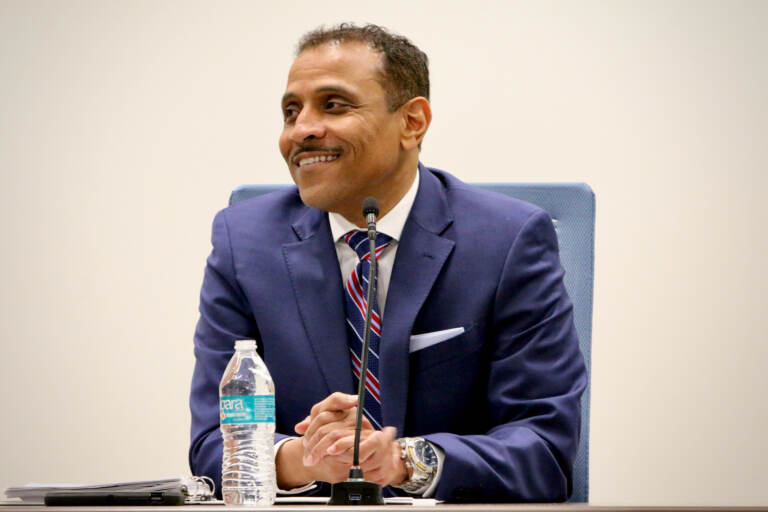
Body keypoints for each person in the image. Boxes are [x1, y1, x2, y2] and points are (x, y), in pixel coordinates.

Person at [189, 23, 587, 502]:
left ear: (412, 122)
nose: (302, 130)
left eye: (333, 105)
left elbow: (542, 449)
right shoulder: (244, 242)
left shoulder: (506, 242)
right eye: (291, 112)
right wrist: (306, 457)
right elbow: (214, 442)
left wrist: (401, 461)